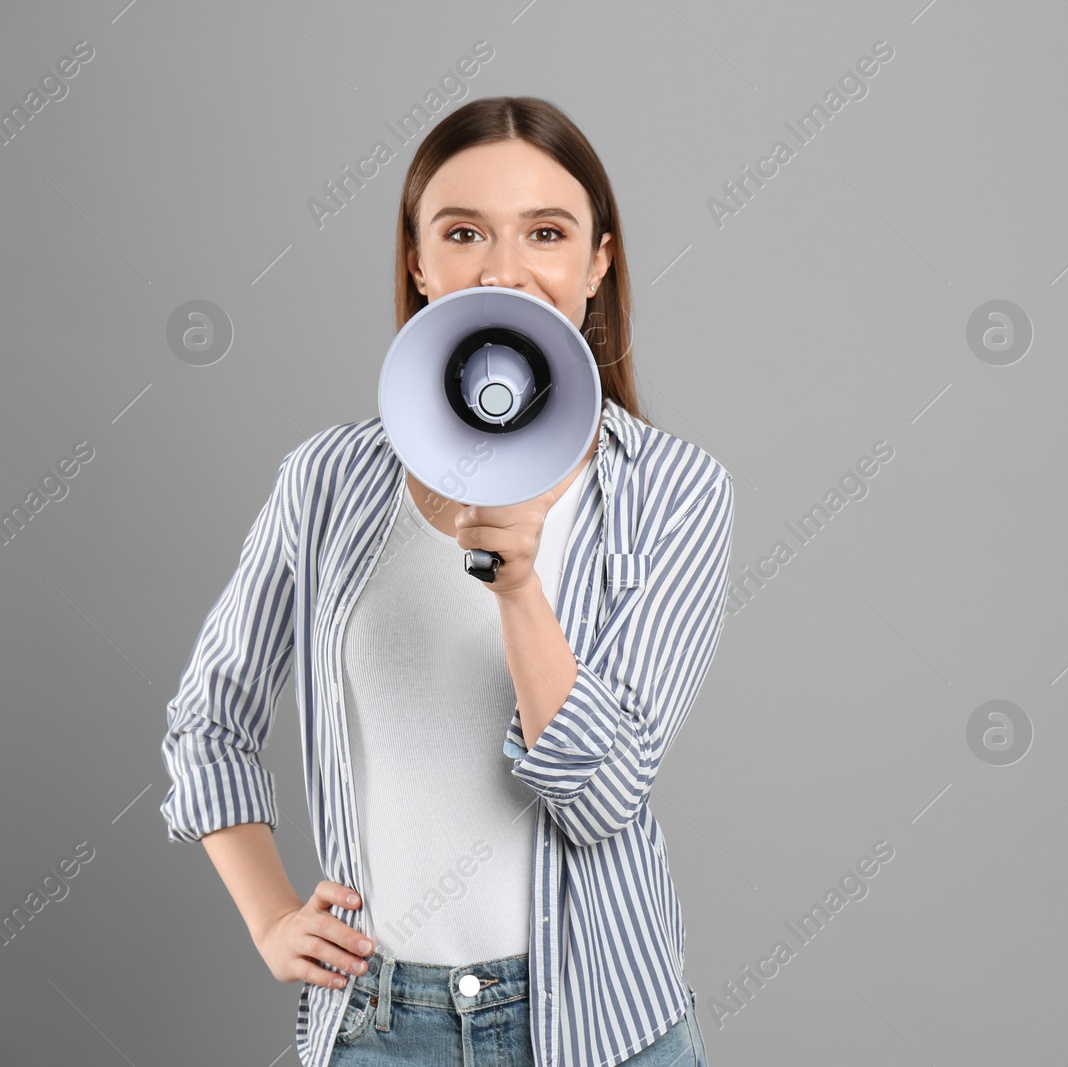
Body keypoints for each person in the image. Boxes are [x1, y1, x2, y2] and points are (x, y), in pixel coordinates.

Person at [158, 96, 732, 1067]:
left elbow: (600, 796)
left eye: (545, 233)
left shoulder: (672, 492)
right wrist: (268, 917)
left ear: (597, 263)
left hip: (601, 1019)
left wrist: (517, 588)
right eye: (462, 232)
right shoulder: (329, 480)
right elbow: (208, 717)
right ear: (419, 264)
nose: (503, 269)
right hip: (380, 1021)